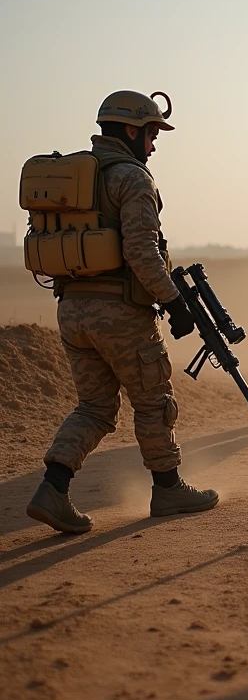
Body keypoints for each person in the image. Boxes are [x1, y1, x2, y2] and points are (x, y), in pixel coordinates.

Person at [25, 90, 218, 534]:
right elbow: (141, 250)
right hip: (120, 312)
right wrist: (173, 302)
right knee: (153, 400)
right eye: (151, 133)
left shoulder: (75, 174)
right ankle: (168, 489)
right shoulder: (131, 177)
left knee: (94, 406)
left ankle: (53, 488)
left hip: (71, 308)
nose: (153, 144)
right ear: (131, 131)